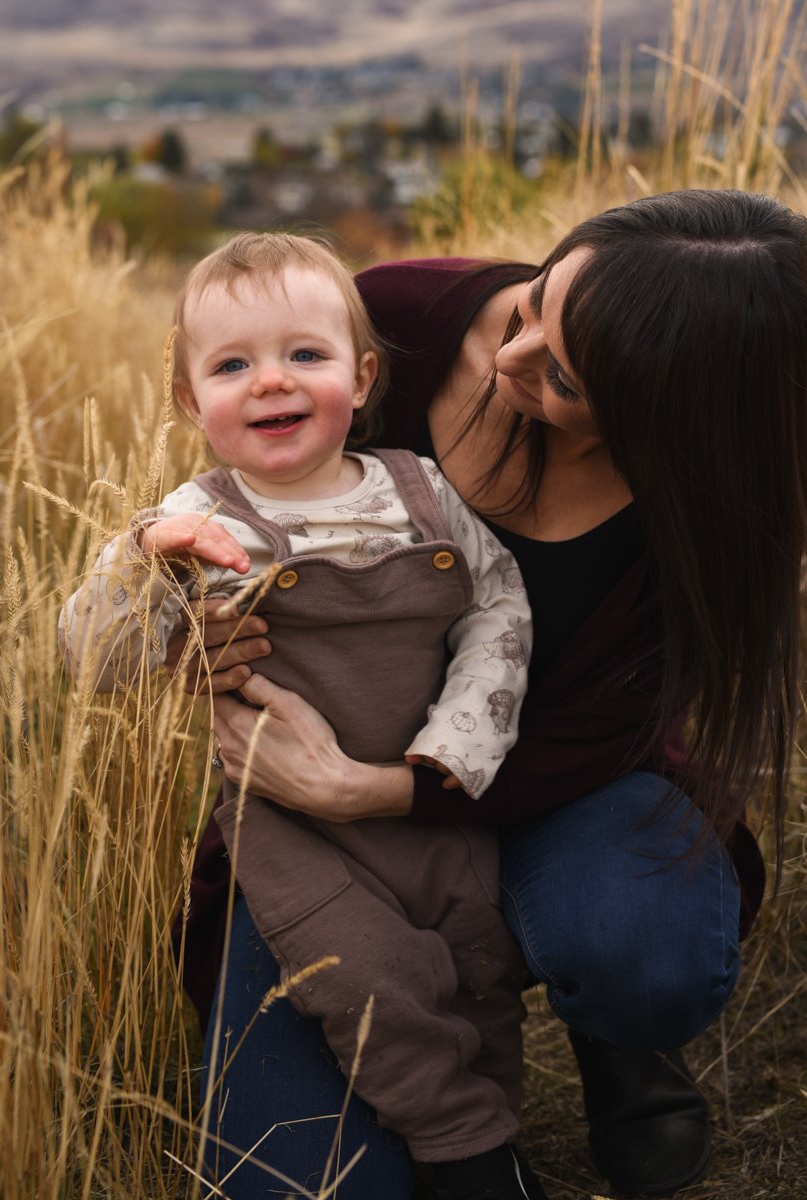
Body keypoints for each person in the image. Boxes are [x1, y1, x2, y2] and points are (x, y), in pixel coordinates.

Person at [172, 188, 807, 1199]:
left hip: (562, 790)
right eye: (533, 305)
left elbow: (603, 733)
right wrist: (201, 625)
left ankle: (611, 1033)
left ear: (672, 426)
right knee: (297, 1181)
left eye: (561, 374)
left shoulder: (715, 507)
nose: (510, 360)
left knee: (638, 950)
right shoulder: (388, 328)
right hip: (320, 813)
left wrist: (373, 788)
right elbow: (240, 497)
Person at [59, 233, 544, 1199]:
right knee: (365, 980)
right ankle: (464, 1153)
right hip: (288, 826)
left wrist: (449, 754)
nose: (270, 382)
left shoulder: (422, 490)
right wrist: (148, 553)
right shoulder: (202, 521)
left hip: (421, 796)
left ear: (362, 379)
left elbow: (500, 609)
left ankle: (497, 1121)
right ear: (192, 403)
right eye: (232, 365)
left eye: (304, 356)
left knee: (475, 968)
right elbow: (95, 658)